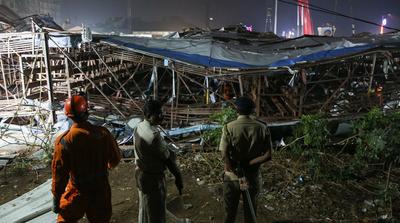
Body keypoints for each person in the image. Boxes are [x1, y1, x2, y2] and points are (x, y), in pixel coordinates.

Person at [51, 95, 121, 223]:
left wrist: (56, 199)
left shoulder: (64, 141)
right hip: (101, 189)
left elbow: (59, 174)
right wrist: (105, 167)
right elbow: (115, 159)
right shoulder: (103, 134)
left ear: (68, 116)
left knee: (65, 219)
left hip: (78, 191)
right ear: (87, 112)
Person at [219, 96, 272, 223]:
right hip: (252, 176)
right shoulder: (262, 127)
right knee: (251, 212)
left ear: (236, 110)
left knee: (229, 213)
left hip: (232, 177)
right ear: (252, 110)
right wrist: (249, 163)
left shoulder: (229, 127)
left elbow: (223, 153)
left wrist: (229, 166)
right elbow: (268, 155)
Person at [134, 99, 183, 223]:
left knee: (145, 209)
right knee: (156, 214)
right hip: (153, 179)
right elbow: (168, 160)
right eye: (159, 113)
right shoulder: (154, 136)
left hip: (141, 175)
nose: (162, 116)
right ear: (149, 116)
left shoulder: (139, 126)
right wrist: (178, 176)